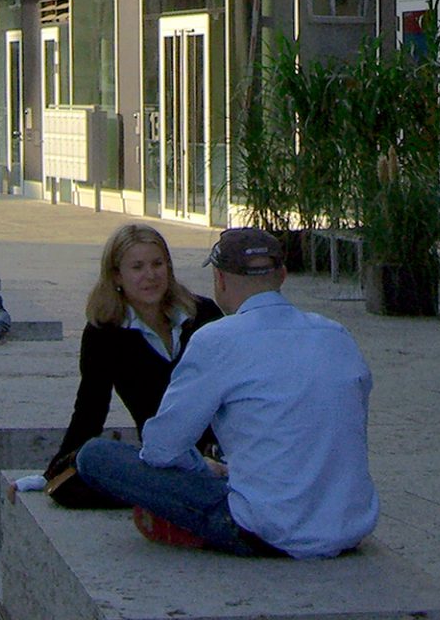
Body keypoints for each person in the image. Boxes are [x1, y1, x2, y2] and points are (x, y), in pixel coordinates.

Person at [75, 227, 379, 558]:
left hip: (263, 529)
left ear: (219, 279)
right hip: (349, 526)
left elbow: (162, 449)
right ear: (283, 276)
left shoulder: (216, 338)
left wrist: (203, 468)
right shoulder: (336, 335)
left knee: (96, 456)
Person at [46, 225, 221, 486]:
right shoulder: (104, 334)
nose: (150, 275)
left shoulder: (203, 314)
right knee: (89, 463)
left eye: (158, 264)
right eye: (137, 267)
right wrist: (52, 475)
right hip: (165, 460)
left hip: (224, 449)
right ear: (116, 276)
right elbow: (90, 410)